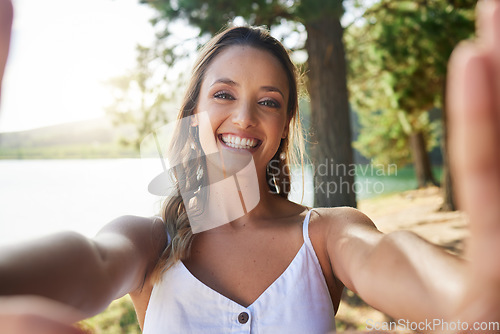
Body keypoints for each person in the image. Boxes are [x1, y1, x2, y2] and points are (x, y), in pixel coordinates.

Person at [1, 0, 500, 333]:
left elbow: (390, 258)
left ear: (284, 126)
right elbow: (90, 262)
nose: (243, 116)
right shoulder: (150, 243)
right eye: (223, 95)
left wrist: (469, 302)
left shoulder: (327, 233)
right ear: (193, 114)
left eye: (268, 102)